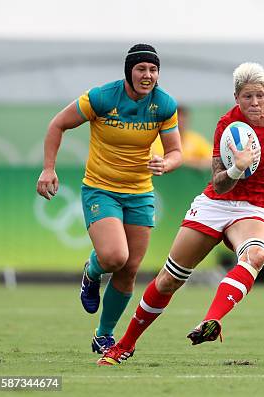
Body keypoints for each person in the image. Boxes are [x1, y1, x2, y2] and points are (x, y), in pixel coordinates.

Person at [97, 62, 264, 366]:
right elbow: (219, 183)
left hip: (253, 210)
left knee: (255, 256)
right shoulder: (228, 123)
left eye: (260, 96)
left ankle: (211, 321)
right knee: (169, 280)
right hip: (216, 204)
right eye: (247, 97)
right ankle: (125, 345)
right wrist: (237, 167)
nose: (254, 103)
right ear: (237, 97)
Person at [35, 44, 182, 354]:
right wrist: (48, 169)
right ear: (129, 71)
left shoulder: (164, 104)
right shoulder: (102, 97)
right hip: (101, 189)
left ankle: (103, 335)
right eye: (141, 69)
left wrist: (165, 164)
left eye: (153, 70)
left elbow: (175, 152)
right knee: (115, 257)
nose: (148, 75)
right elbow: (57, 124)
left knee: (130, 269)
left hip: (140, 193)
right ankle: (91, 271)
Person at [151, 105, 213, 169]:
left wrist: (197, 163)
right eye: (177, 116)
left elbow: (212, 158)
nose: (180, 120)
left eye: (183, 116)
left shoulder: (195, 139)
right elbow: (157, 161)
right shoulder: (157, 139)